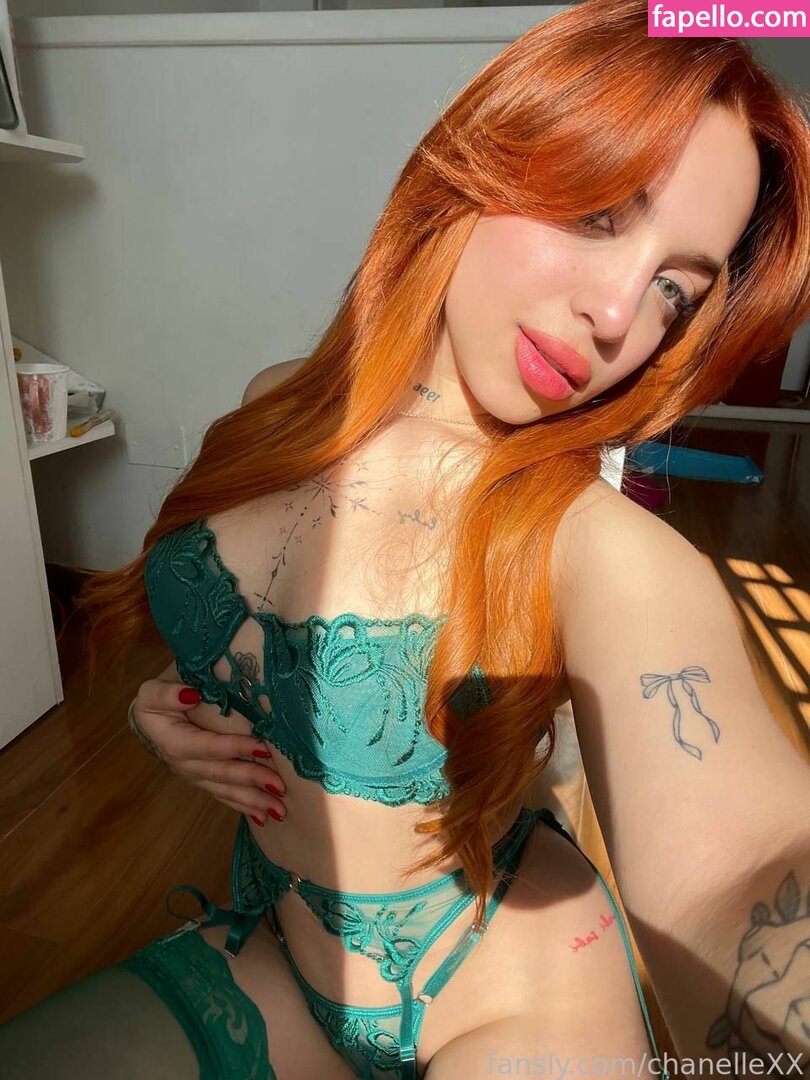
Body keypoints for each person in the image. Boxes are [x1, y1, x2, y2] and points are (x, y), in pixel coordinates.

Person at [3, 0, 810, 1076]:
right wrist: (179, 707)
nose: (622, 316)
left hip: (517, 995)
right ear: (479, 161)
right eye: (600, 213)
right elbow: (240, 629)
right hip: (279, 950)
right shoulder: (277, 402)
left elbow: (739, 866)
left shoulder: (595, 544)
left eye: (675, 290)